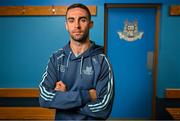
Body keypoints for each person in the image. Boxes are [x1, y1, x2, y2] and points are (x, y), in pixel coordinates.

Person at [39, 3, 114, 120]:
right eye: (71, 20)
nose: (77, 25)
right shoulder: (57, 58)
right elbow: (44, 97)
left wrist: (64, 100)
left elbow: (103, 107)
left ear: (90, 24)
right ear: (66, 25)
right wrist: (87, 95)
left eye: (82, 20)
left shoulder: (102, 61)